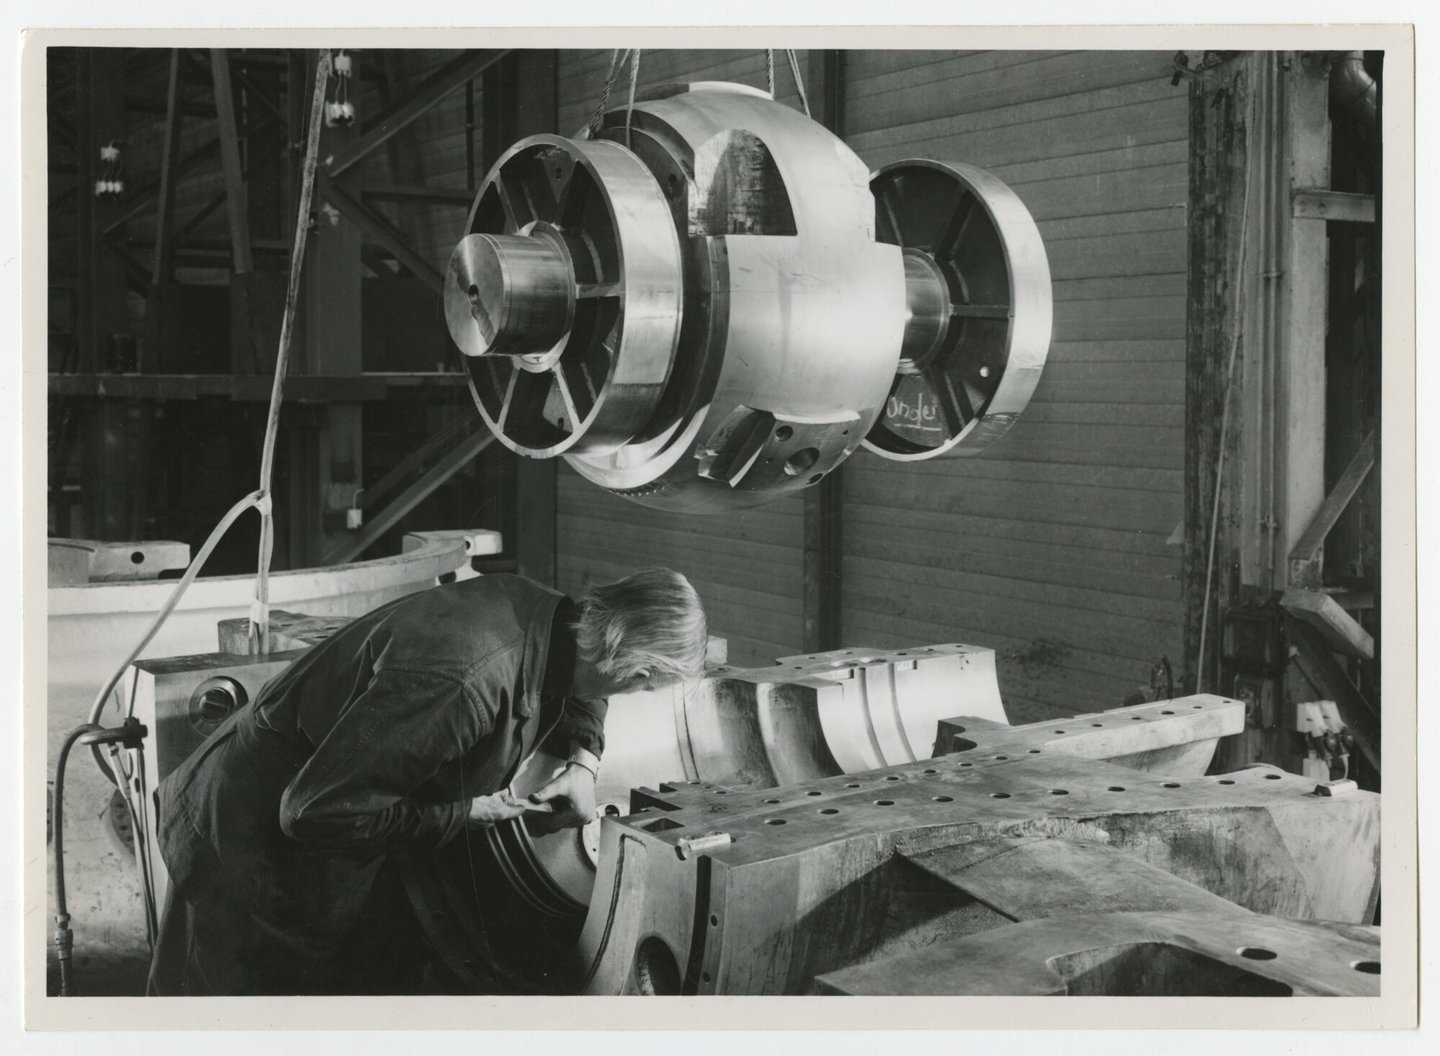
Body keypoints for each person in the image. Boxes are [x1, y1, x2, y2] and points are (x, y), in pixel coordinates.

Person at [146, 568, 707, 995]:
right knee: (222, 1005)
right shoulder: (462, 683)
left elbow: (586, 681)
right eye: (645, 686)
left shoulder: (557, 619)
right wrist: (464, 814)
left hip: (323, 805)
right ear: (637, 670)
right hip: (253, 840)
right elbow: (315, 813)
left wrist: (583, 764)